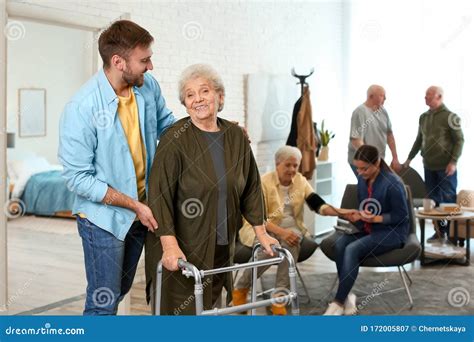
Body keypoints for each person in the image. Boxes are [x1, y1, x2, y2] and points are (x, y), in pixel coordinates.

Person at [58, 20, 175, 315]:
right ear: (118, 61)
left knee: (117, 292)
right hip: (103, 219)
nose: (151, 66)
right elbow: (78, 178)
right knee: (103, 303)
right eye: (144, 60)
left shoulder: (147, 88)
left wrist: (215, 130)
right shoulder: (81, 108)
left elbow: (169, 128)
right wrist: (133, 205)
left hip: (140, 212)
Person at [145, 64, 279, 315]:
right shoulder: (175, 140)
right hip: (181, 246)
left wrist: (261, 233)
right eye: (190, 95)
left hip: (221, 243)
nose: (198, 99)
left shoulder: (236, 137)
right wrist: (170, 246)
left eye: (204, 91)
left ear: (220, 96)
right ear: (184, 104)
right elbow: (159, 195)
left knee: (211, 312)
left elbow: (250, 187)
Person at [234, 145, 359, 315]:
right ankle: (241, 288)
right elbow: (258, 218)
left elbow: (319, 205)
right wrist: (281, 233)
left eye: (296, 165)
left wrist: (343, 212)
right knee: (269, 247)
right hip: (262, 228)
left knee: (292, 240)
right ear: (277, 164)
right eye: (288, 165)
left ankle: (280, 297)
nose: (292, 169)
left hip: (291, 228)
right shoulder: (263, 182)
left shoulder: (300, 180)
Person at [324, 145, 409, 315]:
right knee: (340, 245)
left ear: (377, 163)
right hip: (368, 228)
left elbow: (402, 216)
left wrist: (376, 218)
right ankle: (347, 296)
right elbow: (366, 206)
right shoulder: (363, 179)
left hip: (392, 233)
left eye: (364, 168)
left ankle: (338, 302)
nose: (360, 172)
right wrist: (358, 215)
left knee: (352, 249)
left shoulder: (393, 184)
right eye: (357, 168)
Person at [403, 86, 464, 242]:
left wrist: (453, 162)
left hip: (446, 167)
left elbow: (459, 140)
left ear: (439, 97)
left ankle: (452, 233)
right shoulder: (423, 117)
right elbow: (419, 140)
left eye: (429, 96)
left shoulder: (451, 117)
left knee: (448, 200)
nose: (425, 98)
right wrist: (409, 158)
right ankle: (439, 231)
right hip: (428, 166)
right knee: (433, 200)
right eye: (425, 96)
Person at [348, 85, 401, 176]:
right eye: (382, 95)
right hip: (362, 161)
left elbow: (389, 135)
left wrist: (395, 157)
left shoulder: (383, 112)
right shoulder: (360, 112)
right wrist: (370, 160)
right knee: (370, 188)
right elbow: (356, 140)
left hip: (377, 161)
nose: (385, 98)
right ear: (371, 96)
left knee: (378, 187)